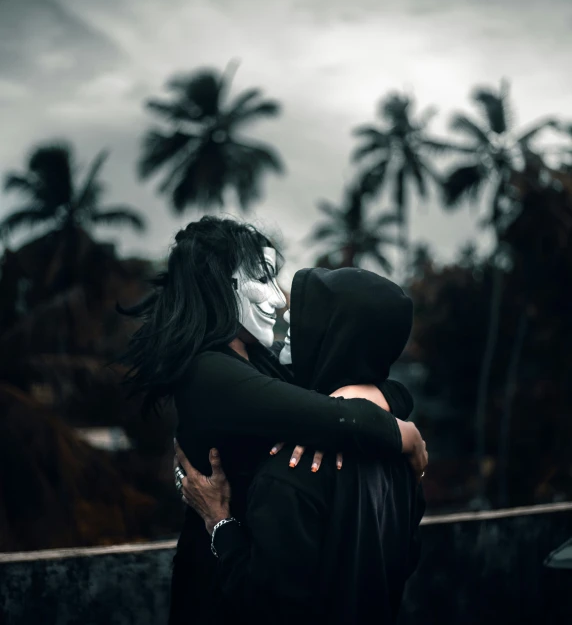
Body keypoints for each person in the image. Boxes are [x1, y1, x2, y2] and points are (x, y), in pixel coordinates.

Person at [119, 217, 427, 625]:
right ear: (220, 286)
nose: (280, 299)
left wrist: (382, 395)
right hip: (219, 584)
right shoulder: (207, 373)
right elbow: (335, 417)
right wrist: (405, 435)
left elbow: (341, 388)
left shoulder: (261, 360)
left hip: (271, 572)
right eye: (261, 278)